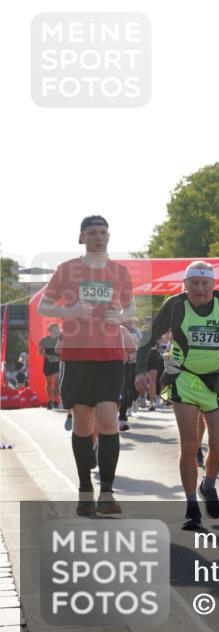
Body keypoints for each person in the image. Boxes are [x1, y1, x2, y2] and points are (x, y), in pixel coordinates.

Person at [135, 261, 219, 529]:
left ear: (213, 285)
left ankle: (209, 484)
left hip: (215, 380)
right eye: (194, 283)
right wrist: (139, 371)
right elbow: (148, 338)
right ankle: (191, 506)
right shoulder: (175, 305)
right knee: (189, 444)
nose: (200, 289)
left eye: (205, 284)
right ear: (184, 285)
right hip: (183, 379)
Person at [38, 215, 134, 516]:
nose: (98, 237)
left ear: (109, 236)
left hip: (110, 354)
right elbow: (43, 306)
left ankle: (107, 493)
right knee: (82, 423)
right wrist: (71, 311)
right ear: (82, 237)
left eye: (103, 232)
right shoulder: (66, 270)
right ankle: (84, 491)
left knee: (108, 421)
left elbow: (130, 306)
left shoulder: (119, 271)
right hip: (77, 354)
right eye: (92, 232)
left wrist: (120, 317)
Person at [118, 319, 141, 431]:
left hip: (124, 366)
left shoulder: (123, 331)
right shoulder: (93, 329)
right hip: (100, 368)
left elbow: (135, 352)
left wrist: (128, 357)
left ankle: (122, 418)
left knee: (125, 391)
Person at [39, 323, 62, 409]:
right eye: (55, 328)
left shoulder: (60, 339)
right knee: (49, 383)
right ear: (50, 330)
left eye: (58, 328)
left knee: (56, 382)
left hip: (57, 363)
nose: (57, 330)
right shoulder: (44, 340)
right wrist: (48, 356)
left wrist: (59, 356)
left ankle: (55, 401)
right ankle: (49, 401)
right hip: (48, 363)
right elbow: (40, 351)